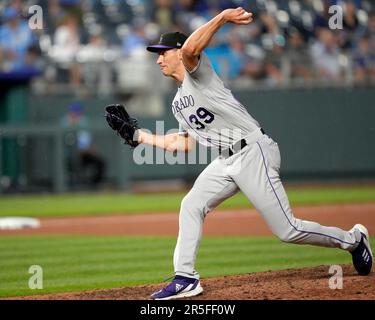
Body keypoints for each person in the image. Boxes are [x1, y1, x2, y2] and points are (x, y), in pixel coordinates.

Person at [136, 7, 372, 300]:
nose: (158, 59)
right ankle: (186, 277)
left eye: (163, 52)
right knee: (191, 204)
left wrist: (222, 17)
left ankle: (353, 239)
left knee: (287, 230)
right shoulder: (177, 102)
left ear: (178, 50)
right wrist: (140, 136)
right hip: (225, 160)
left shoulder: (199, 74)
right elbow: (184, 144)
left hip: (252, 151)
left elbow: (193, 48)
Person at [61, 102, 105, 187]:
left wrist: (90, 148)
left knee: (100, 163)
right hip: (69, 155)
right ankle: (71, 186)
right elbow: (67, 141)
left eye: (77, 112)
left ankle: (93, 186)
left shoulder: (84, 121)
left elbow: (86, 140)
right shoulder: (65, 122)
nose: (75, 114)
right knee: (72, 165)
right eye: (73, 112)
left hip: (85, 154)